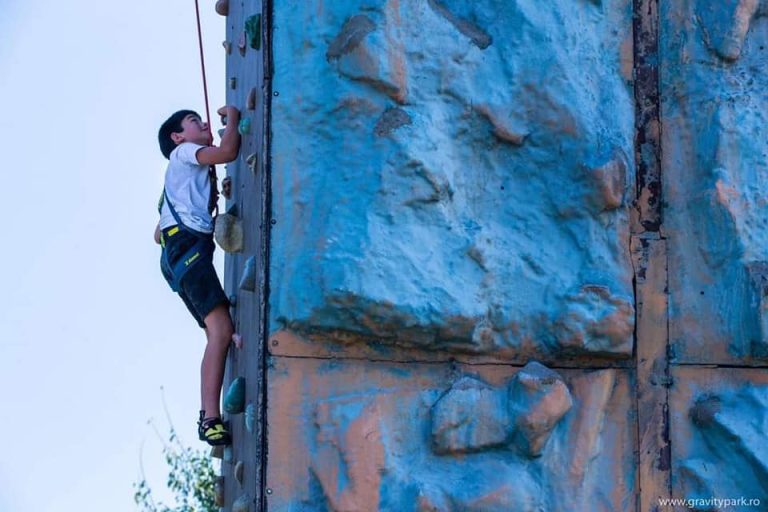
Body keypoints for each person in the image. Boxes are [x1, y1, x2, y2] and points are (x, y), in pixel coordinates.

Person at [155, 106, 241, 445]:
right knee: (219, 331)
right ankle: (209, 417)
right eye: (195, 122)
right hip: (189, 252)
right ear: (178, 137)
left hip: (180, 256)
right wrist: (232, 120)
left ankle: (209, 415)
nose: (204, 123)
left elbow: (157, 233)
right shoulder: (184, 153)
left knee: (217, 335)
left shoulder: (182, 172)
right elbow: (228, 151)